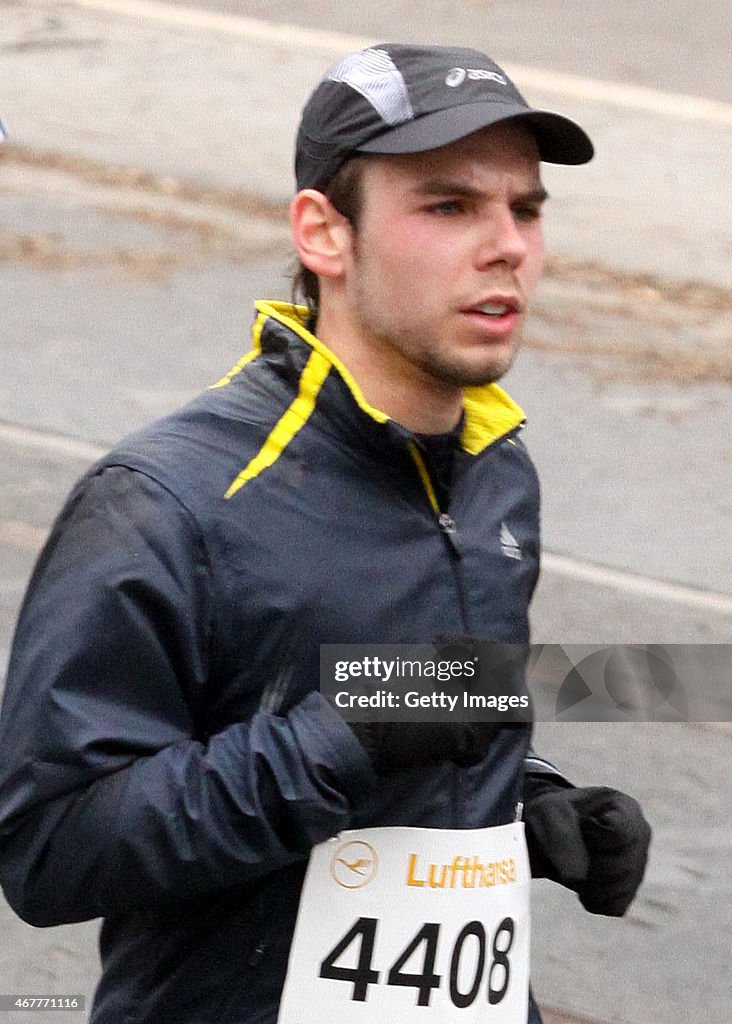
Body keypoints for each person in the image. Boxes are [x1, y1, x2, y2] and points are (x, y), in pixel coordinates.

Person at [0, 44, 650, 1024]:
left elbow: (430, 720)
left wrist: (529, 802)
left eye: (525, 207)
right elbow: (49, 847)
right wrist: (342, 734)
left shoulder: (496, 471)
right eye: (449, 206)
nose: (507, 243)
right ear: (324, 233)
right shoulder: (170, 500)